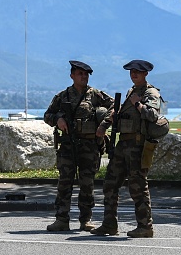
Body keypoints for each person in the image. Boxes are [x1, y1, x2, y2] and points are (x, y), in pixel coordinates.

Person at [90, 59, 161, 238]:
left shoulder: (150, 93)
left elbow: (153, 115)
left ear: (145, 73)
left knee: (138, 186)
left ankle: (145, 226)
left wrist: (138, 104)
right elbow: (119, 113)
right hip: (123, 144)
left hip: (138, 145)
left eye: (137, 71)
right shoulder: (132, 91)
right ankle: (109, 224)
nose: (134, 74)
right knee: (110, 184)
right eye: (131, 71)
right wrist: (106, 124)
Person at [44, 60, 114, 232]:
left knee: (87, 184)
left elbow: (115, 107)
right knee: (64, 183)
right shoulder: (63, 96)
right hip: (68, 145)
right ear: (72, 76)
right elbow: (47, 115)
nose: (84, 77)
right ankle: (61, 219)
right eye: (80, 74)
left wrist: (103, 124)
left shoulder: (95, 95)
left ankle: (86, 219)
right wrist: (57, 120)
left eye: (86, 74)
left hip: (89, 146)